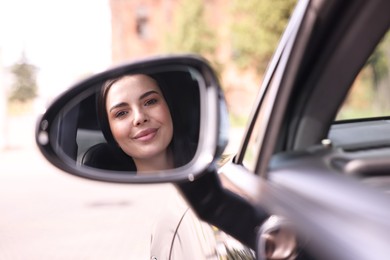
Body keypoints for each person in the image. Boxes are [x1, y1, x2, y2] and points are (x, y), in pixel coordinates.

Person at [97, 73, 195, 173]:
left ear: (169, 107)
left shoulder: (210, 162)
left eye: (150, 102)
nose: (139, 118)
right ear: (110, 132)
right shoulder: (108, 188)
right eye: (121, 113)